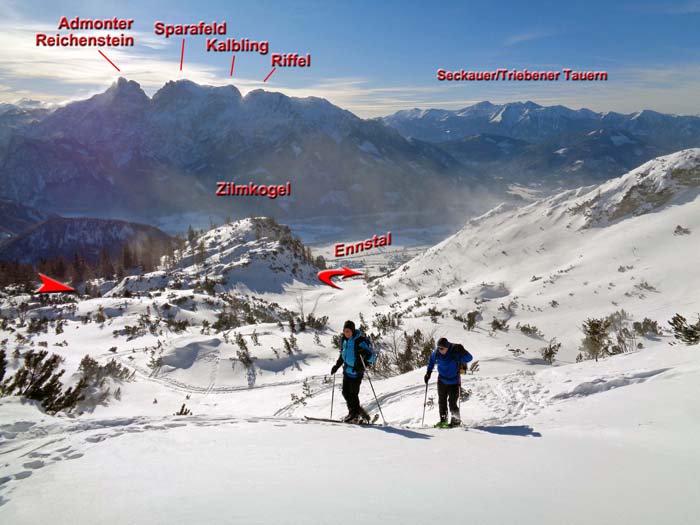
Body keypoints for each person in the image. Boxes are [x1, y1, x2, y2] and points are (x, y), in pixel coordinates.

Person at [331, 320, 374, 423]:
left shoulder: (360, 341)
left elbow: (371, 357)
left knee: (353, 394)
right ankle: (353, 413)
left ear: (353, 331)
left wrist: (362, 362)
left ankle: (355, 415)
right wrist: (337, 366)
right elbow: (343, 355)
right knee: (345, 393)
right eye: (345, 331)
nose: (346, 333)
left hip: (356, 373)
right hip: (347, 371)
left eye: (348, 331)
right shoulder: (344, 340)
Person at [424, 337, 473, 427]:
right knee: (442, 402)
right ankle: (443, 421)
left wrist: (463, 351)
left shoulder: (455, 352)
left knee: (452, 403)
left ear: (447, 347)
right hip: (442, 380)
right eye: (438, 348)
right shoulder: (437, 353)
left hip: (454, 381)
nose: (440, 350)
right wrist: (428, 373)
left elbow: (469, 358)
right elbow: (431, 361)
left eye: (442, 348)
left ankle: (456, 421)